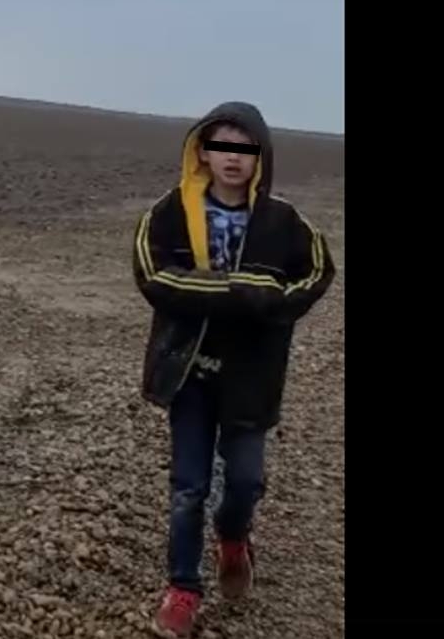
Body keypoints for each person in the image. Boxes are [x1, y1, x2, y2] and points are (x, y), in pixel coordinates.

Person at [132, 101, 335, 636]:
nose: (232, 157)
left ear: (260, 157)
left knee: (244, 481)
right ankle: (182, 587)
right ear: (202, 151)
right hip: (189, 372)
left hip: (252, 376)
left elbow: (317, 272)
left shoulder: (285, 221)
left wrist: (270, 302)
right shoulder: (169, 212)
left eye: (245, 148)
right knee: (187, 487)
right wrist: (235, 292)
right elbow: (154, 277)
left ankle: (233, 536)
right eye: (221, 145)